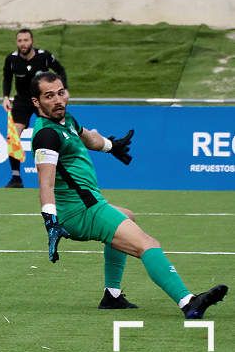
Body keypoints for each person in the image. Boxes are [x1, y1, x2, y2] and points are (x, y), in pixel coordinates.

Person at [30, 71, 227, 318]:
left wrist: (112, 146)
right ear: (37, 102)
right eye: (49, 96)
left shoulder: (65, 120)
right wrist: (50, 221)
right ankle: (189, 302)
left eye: (61, 92)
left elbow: (89, 138)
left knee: (127, 216)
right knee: (148, 244)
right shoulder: (46, 135)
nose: (58, 100)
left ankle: (112, 296)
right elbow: (45, 183)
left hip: (89, 205)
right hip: (82, 211)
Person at [2, 28, 67, 188]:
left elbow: (61, 71)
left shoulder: (44, 56)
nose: (23, 44)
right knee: (13, 137)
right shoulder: (11, 59)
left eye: (26, 40)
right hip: (22, 101)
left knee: (53, 133)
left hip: (42, 100)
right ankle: (16, 177)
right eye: (20, 41)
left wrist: (63, 91)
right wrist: (5, 97)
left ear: (32, 41)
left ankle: (61, 174)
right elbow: (7, 79)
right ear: (17, 42)